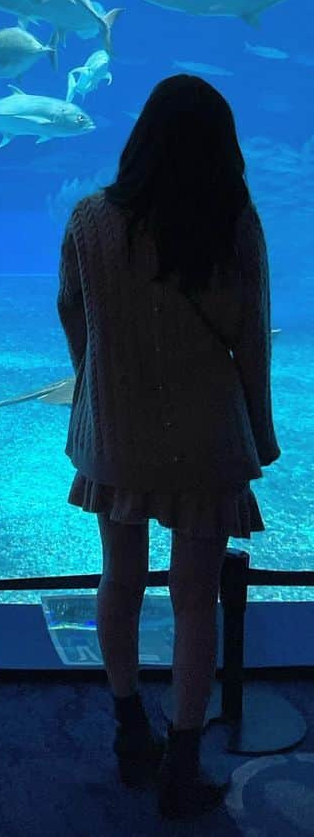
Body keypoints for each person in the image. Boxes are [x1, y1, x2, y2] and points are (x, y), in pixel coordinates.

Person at [56, 75, 279, 821]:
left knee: (120, 581)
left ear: (140, 140)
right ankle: (183, 765)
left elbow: (71, 312)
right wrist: (262, 430)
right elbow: (251, 338)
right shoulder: (234, 222)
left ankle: (129, 731)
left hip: (114, 437)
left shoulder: (90, 219)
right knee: (195, 599)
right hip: (206, 442)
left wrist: (96, 386)